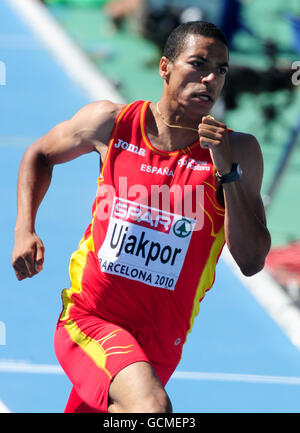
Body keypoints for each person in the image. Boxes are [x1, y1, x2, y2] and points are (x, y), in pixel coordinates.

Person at [12, 21, 271, 413]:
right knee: (151, 409)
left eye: (220, 70)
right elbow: (40, 154)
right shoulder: (112, 123)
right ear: (165, 67)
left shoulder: (238, 152)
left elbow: (251, 262)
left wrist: (227, 174)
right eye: (198, 64)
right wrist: (24, 230)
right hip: (90, 320)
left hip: (161, 344)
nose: (209, 79)